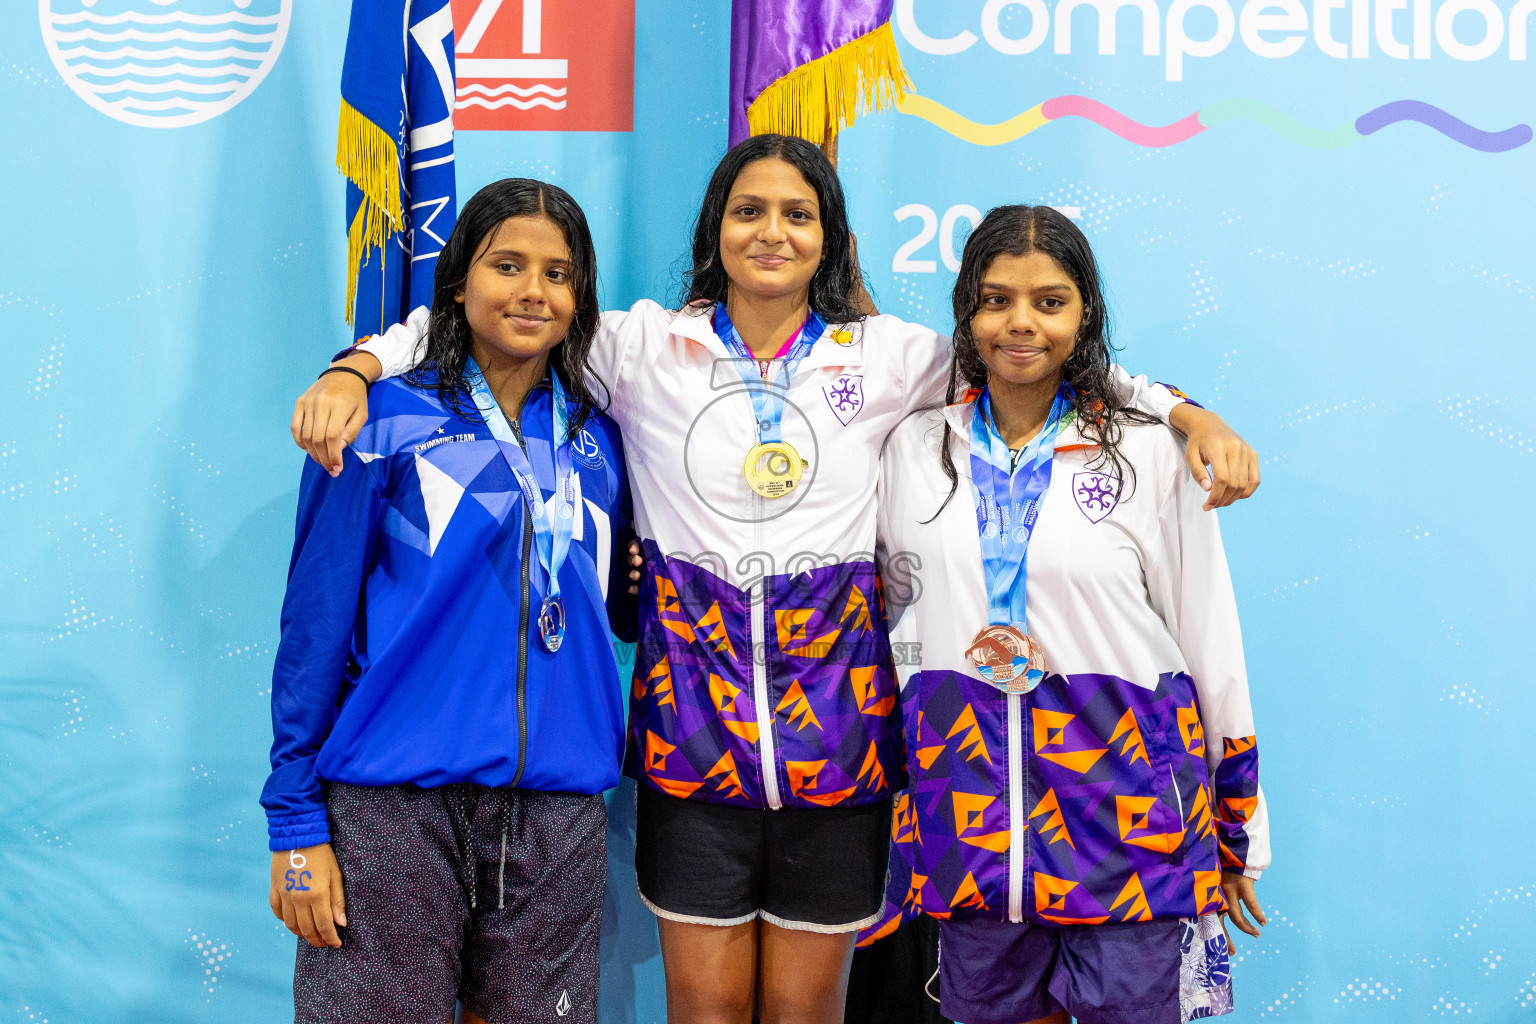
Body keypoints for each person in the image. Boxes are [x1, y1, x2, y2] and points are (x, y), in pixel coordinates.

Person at [286, 135, 1258, 1024]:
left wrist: (1184, 413)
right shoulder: (641, 347)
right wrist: (356, 367)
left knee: (805, 1014)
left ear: (829, 236)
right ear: (716, 226)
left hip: (839, 753)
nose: (772, 231)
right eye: (749, 210)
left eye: (798, 213)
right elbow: (481, 317)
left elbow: (1031, 354)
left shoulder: (893, 358)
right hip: (692, 748)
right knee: (705, 1012)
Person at [870, 204, 1269, 1024]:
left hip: (1128, 827)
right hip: (970, 828)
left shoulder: (1149, 453)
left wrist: (1237, 830)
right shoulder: (912, 449)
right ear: (967, 313)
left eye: (1049, 302)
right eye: (996, 300)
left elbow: (1210, 642)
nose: (1021, 322)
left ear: (1085, 314)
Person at [261, 177, 637, 1024]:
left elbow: (622, 612)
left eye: (558, 274)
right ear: (459, 284)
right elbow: (314, 628)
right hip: (394, 810)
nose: (533, 291)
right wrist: (294, 821)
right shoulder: (378, 422)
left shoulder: (603, 439)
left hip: (558, 816)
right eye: (508, 266)